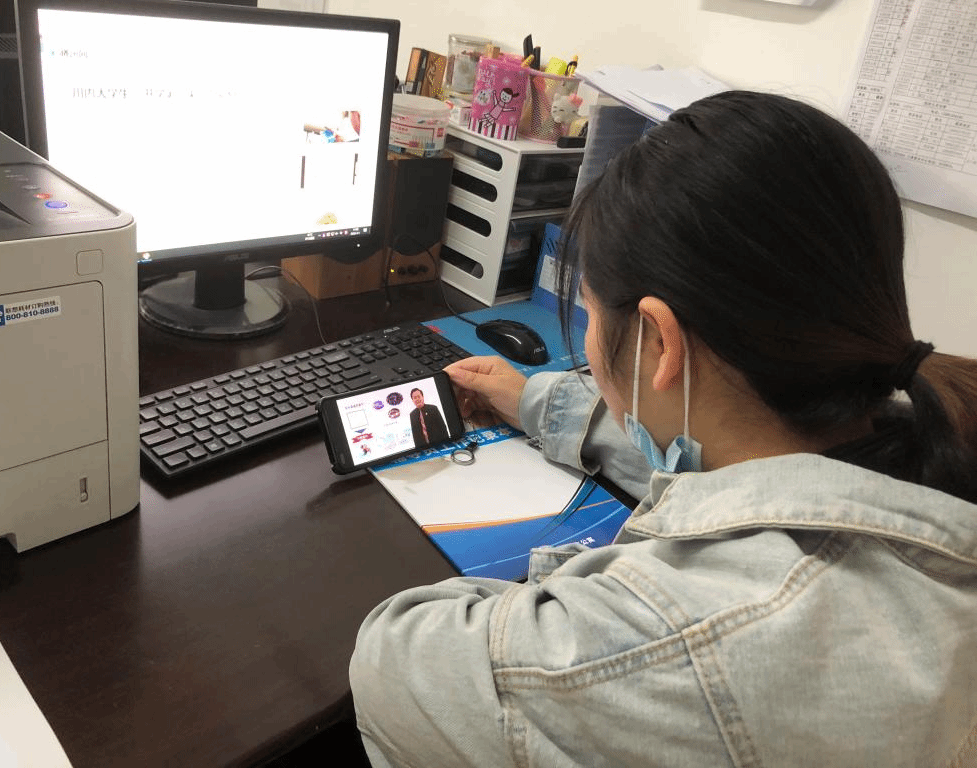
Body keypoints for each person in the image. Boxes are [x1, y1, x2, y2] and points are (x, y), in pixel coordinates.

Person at [349, 91, 977, 766]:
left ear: (658, 341)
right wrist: (533, 400)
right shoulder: (929, 450)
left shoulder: (679, 639)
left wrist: (567, 582)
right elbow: (747, 462)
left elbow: (394, 658)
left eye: (591, 314)